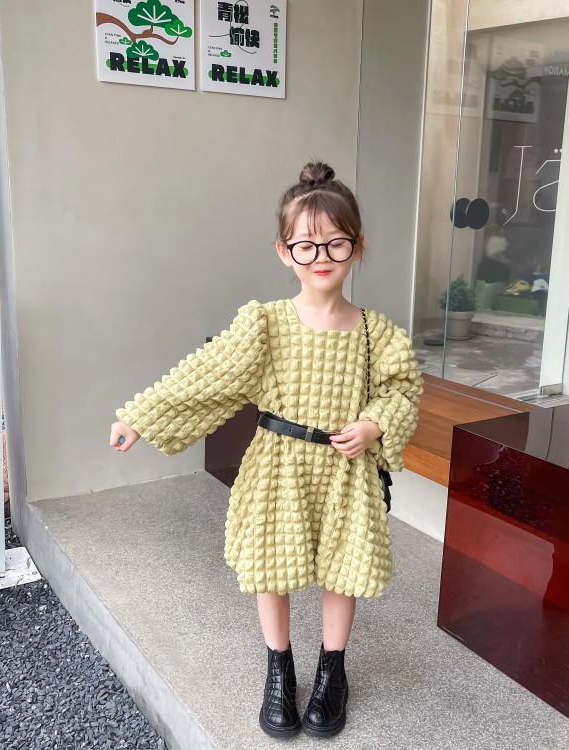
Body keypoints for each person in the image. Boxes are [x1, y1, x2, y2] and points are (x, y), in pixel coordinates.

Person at [109, 162, 423, 739]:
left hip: (346, 472)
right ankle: (279, 670)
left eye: (336, 242)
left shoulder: (376, 332)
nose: (321, 256)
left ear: (358, 247)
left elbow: (401, 390)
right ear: (284, 252)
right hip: (278, 466)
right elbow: (208, 375)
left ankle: (332, 672)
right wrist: (142, 414)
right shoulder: (266, 323)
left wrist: (375, 423)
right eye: (306, 245)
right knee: (270, 568)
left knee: (343, 570)